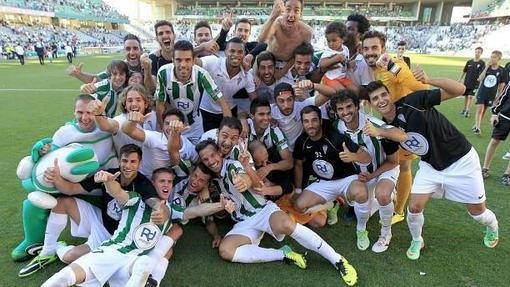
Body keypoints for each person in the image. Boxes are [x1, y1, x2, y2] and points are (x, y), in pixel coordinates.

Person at [364, 70, 499, 260]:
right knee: (415, 207)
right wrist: (370, 172)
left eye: (384, 94)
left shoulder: (414, 101)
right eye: (375, 98)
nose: (381, 100)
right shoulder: (382, 128)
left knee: (477, 213)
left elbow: (460, 89)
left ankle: (492, 226)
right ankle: (417, 239)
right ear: (370, 104)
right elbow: (393, 159)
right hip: (431, 165)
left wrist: (429, 80)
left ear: (390, 94)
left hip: (462, 160)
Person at [196, 139, 358, 286]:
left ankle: (337, 260)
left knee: (288, 225)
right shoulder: (213, 180)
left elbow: (246, 179)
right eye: (205, 159)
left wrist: (243, 177)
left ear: (219, 152)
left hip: (263, 211)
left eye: (212, 155)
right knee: (226, 251)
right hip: (242, 222)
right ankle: (283, 254)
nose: (211, 161)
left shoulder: (233, 165)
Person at [18, 144, 166, 278]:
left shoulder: (142, 183)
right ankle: (48, 251)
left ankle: (58, 247)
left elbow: (156, 202)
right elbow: (70, 190)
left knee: (70, 257)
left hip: (115, 237)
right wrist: (56, 178)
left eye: (133, 162)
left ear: (139, 164)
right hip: (100, 221)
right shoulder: (107, 174)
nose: (128, 165)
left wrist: (160, 211)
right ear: (119, 161)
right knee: (63, 202)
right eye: (125, 161)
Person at [11, 94, 118, 262]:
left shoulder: (105, 127)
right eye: (79, 112)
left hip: (100, 188)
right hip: (69, 184)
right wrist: (42, 151)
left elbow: (117, 128)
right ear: (73, 112)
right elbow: (50, 154)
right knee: (34, 199)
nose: (85, 117)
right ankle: (32, 241)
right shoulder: (65, 132)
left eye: (89, 112)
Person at [361, 30, 429, 225]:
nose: (370, 52)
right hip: (390, 123)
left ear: (384, 48)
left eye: (374, 47)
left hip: (407, 124)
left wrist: (423, 78)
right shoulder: (375, 69)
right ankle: (394, 196)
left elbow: (420, 88)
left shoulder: (395, 65)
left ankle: (399, 210)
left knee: (404, 165)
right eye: (366, 49)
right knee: (395, 162)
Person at [291, 106, 373, 250]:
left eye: (314, 120)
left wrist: (353, 156)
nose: (310, 125)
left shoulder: (336, 138)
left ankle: (361, 228)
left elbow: (366, 157)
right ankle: (330, 204)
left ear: (320, 121)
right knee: (298, 205)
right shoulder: (302, 142)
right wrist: (298, 189)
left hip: (346, 179)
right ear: (302, 123)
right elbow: (298, 164)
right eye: (306, 121)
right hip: (323, 183)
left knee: (361, 193)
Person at [331, 91, 400, 252]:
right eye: (341, 109)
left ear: (357, 106)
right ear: (336, 111)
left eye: (349, 106)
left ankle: (385, 234)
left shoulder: (373, 124)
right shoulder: (336, 128)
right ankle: (364, 223)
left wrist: (372, 175)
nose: (346, 112)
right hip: (361, 176)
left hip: (383, 169)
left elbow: (394, 159)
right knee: (361, 209)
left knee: (383, 195)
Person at [155, 40, 232, 144]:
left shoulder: (202, 74)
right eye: (178, 60)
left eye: (187, 60)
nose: (183, 64)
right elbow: (160, 104)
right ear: (172, 60)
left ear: (193, 60)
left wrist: (229, 131)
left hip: (195, 125)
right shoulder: (163, 72)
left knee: (198, 156)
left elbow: (222, 102)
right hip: (173, 124)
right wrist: (162, 127)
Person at [87, 83, 158, 155]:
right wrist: (98, 114)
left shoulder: (154, 116)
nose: (134, 104)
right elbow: (106, 126)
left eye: (138, 100)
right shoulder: (120, 120)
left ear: (145, 104)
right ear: (125, 105)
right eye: (130, 101)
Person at [196, 37, 248, 130]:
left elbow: (255, 99)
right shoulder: (213, 61)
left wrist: (243, 119)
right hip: (206, 111)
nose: (236, 55)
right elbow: (189, 60)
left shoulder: (248, 74)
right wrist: (202, 47)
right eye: (232, 51)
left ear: (244, 54)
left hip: (230, 110)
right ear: (225, 52)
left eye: (240, 52)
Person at [271, 81, 334, 151]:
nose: (286, 105)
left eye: (289, 100)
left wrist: (313, 85)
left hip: (300, 149)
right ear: (275, 101)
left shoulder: (301, 106)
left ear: (294, 98)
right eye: (281, 101)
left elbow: (331, 93)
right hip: (280, 152)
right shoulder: (269, 112)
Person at [258, 0, 312, 64]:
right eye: (288, 9)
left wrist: (284, 70)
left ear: (301, 14)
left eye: (296, 11)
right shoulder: (276, 24)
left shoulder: (306, 32)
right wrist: (273, 16)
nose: (291, 15)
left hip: (289, 64)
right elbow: (261, 39)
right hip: (269, 61)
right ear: (283, 12)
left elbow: (304, 54)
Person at [481, 84, 510, 183]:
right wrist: (494, 113)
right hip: (505, 116)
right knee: (494, 141)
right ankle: (485, 169)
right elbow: (503, 96)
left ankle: (507, 174)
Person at [473, 50, 506, 135]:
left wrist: (498, 97)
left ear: (499, 59)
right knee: (480, 109)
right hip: (482, 92)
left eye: (494, 57)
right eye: (491, 56)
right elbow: (480, 79)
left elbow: (501, 86)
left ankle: (477, 125)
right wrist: (486, 67)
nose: (491, 58)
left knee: (483, 110)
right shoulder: (486, 67)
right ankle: (477, 127)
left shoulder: (502, 70)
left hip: (491, 94)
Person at [319, 22, 357, 95]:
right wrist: (336, 59)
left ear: (343, 39)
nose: (330, 44)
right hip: (330, 79)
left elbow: (345, 63)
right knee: (342, 92)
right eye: (328, 41)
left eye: (334, 40)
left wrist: (349, 64)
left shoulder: (345, 49)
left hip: (342, 77)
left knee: (355, 90)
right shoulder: (328, 52)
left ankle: (356, 105)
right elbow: (322, 64)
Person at [459, 47, 485, 118]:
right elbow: (464, 71)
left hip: (475, 83)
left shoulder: (482, 63)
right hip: (467, 82)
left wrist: (481, 81)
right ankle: (464, 109)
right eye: (476, 52)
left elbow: (483, 73)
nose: (477, 53)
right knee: (466, 96)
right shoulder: (469, 62)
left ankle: (467, 111)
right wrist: (460, 79)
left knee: (471, 96)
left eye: (479, 52)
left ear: (481, 53)